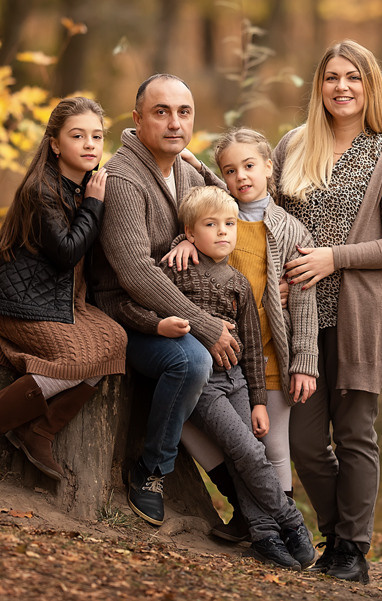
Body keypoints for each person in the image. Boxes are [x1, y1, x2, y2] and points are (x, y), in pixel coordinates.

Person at [272, 39, 382, 584]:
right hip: (303, 318)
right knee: (304, 441)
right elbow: (264, 222)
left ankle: (351, 549)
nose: (342, 87)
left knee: (355, 433)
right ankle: (337, 533)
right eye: (332, 77)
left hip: (362, 317)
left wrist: (334, 258)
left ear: (369, 86)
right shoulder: (291, 146)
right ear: (319, 86)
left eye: (353, 77)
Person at [117, 186, 317, 569]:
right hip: (204, 385)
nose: (223, 232)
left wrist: (259, 400)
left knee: (250, 453)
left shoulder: (239, 283)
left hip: (237, 381)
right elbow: (128, 305)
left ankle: (264, 535)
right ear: (191, 234)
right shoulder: (175, 268)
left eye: (230, 223)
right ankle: (292, 523)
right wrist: (161, 324)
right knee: (245, 452)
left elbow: (254, 351)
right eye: (211, 225)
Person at [0, 97, 127, 484]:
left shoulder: (86, 186)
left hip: (62, 303)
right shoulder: (41, 190)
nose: (89, 144)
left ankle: (39, 430)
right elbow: (66, 253)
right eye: (77, 135)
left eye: (96, 136)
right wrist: (94, 206)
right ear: (55, 144)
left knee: (114, 339)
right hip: (21, 305)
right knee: (78, 357)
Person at [88, 74, 238, 526]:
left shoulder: (187, 171)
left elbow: (223, 212)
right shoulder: (123, 179)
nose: (175, 123)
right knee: (191, 363)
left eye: (184, 112)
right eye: (161, 112)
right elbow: (134, 271)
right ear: (137, 119)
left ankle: (248, 498)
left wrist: (203, 175)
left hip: (178, 311)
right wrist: (206, 324)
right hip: (125, 316)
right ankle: (151, 471)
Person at [169, 128, 319, 543]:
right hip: (220, 357)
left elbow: (304, 304)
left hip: (271, 350)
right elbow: (201, 227)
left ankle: (279, 527)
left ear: (270, 167)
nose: (241, 177)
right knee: (226, 441)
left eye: (250, 166)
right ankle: (248, 512)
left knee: (272, 448)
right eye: (230, 171)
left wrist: (304, 361)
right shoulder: (221, 218)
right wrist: (184, 241)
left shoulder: (291, 232)